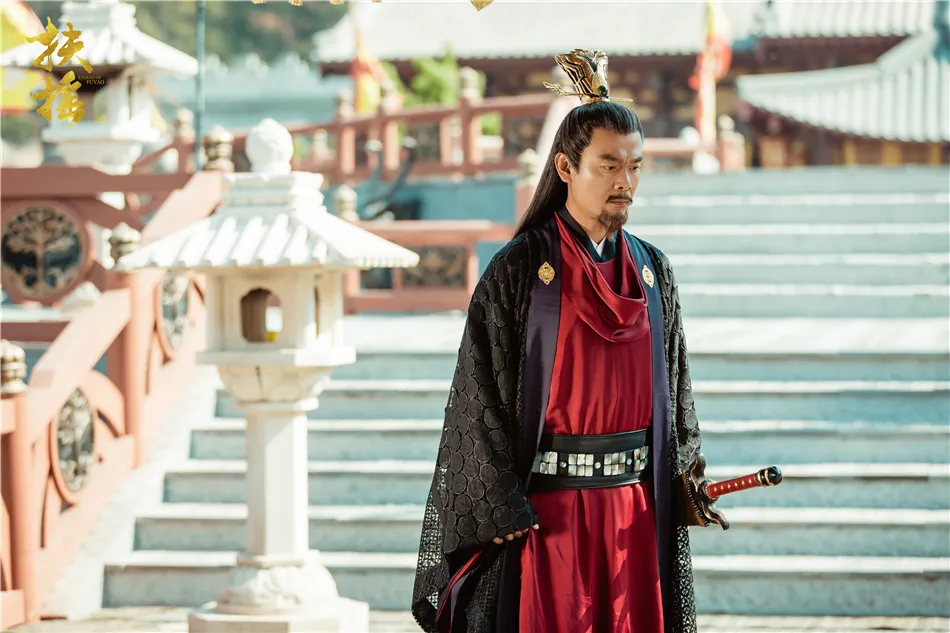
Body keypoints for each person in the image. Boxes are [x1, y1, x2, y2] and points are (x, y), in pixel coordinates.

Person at [411, 49, 721, 633]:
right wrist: (496, 498)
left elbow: (678, 394)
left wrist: (686, 473)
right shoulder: (521, 268)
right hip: (548, 518)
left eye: (635, 166)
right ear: (565, 168)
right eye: (609, 165)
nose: (625, 181)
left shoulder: (654, 271)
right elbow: (476, 393)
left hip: (634, 514)